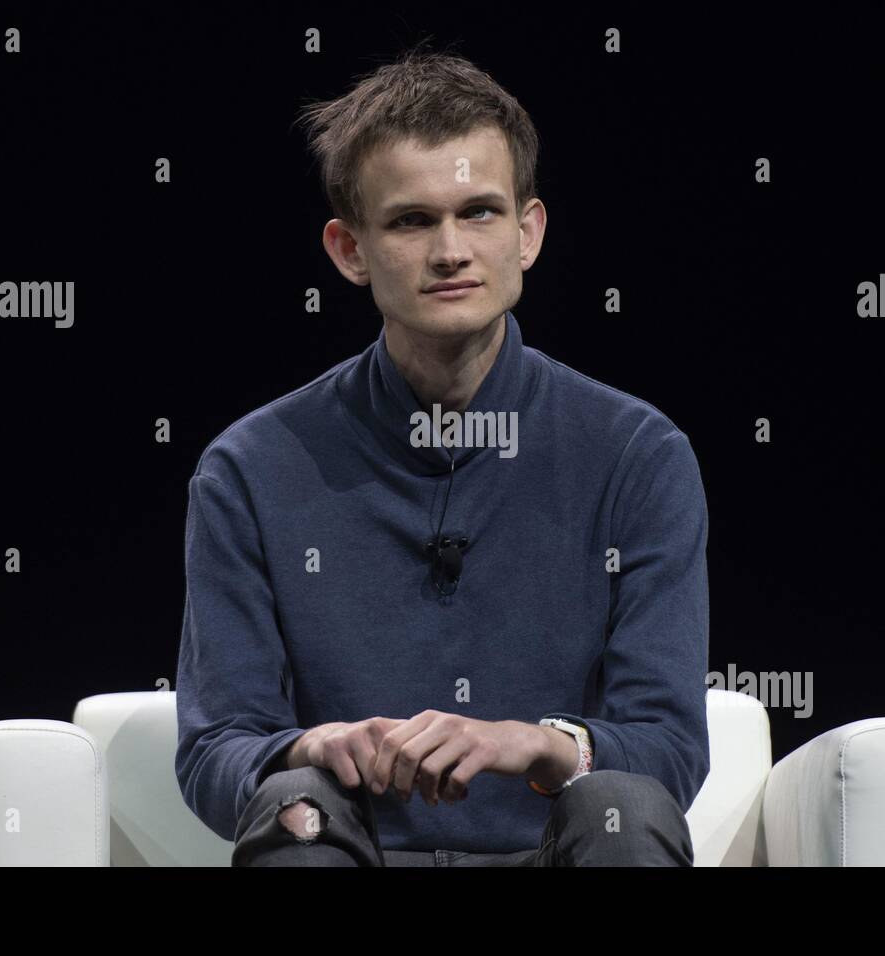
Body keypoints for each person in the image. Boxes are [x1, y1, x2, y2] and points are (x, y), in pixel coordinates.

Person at [174, 45, 710, 866]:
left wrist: (532, 743)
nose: (451, 250)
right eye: (412, 220)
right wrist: (310, 750)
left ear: (528, 234)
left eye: (481, 212)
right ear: (349, 250)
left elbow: (670, 752)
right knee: (293, 809)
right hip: (357, 855)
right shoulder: (248, 470)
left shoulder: (638, 456)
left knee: (627, 808)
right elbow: (216, 752)